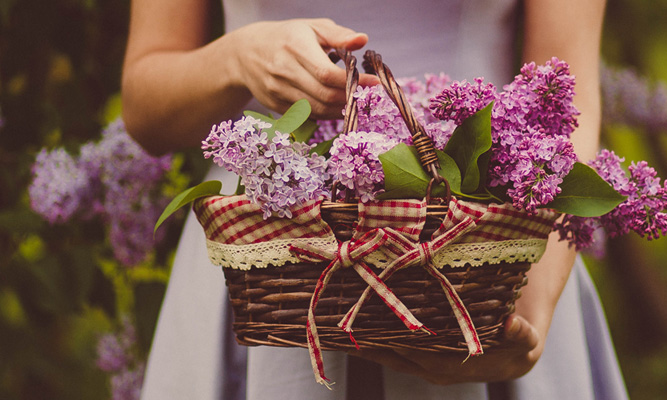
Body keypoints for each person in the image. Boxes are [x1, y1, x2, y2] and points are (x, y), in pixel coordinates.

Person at [122, 0, 627, 398]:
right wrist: (235, 58)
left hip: (483, 248)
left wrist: (523, 323)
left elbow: (569, 108)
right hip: (267, 245)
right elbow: (146, 108)